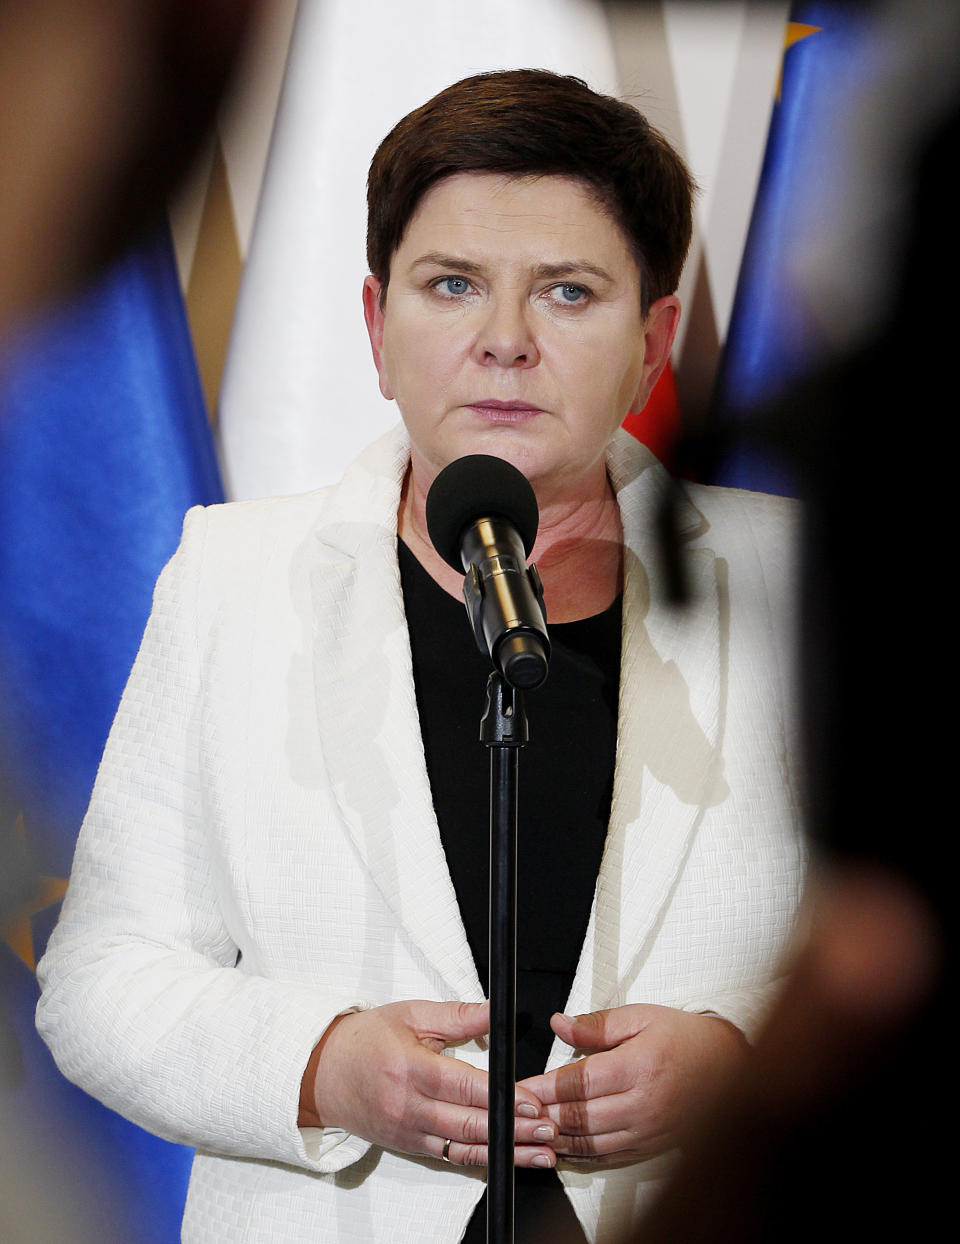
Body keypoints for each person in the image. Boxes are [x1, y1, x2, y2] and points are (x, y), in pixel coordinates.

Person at [36, 70, 805, 1242]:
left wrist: (749, 1064)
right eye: (452, 286)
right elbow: (98, 980)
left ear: (653, 340)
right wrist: (324, 1066)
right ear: (376, 325)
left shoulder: (794, 581)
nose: (504, 342)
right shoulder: (232, 579)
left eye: (567, 292)